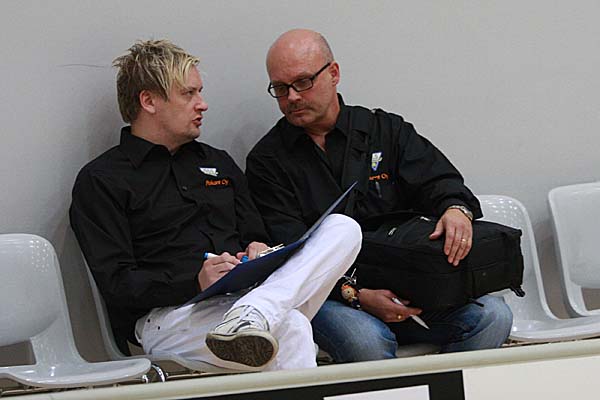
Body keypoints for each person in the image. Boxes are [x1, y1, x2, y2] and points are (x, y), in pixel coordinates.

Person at [69, 39, 361, 371]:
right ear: (148, 101)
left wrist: (258, 249)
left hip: (248, 296)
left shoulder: (218, 162)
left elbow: (255, 235)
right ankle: (253, 315)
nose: (203, 104)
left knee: (344, 227)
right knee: (291, 328)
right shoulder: (103, 180)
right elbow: (117, 285)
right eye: (188, 94)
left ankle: (254, 312)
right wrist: (196, 281)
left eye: (200, 92)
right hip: (169, 318)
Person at [246, 29, 513, 363]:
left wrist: (456, 209)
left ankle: (438, 384)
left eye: (303, 82)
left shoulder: (384, 131)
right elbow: (291, 254)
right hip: (332, 296)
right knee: (366, 341)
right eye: (281, 88)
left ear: (333, 73)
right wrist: (356, 295)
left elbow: (440, 182)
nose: (293, 97)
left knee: (494, 316)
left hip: (410, 281)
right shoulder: (268, 161)